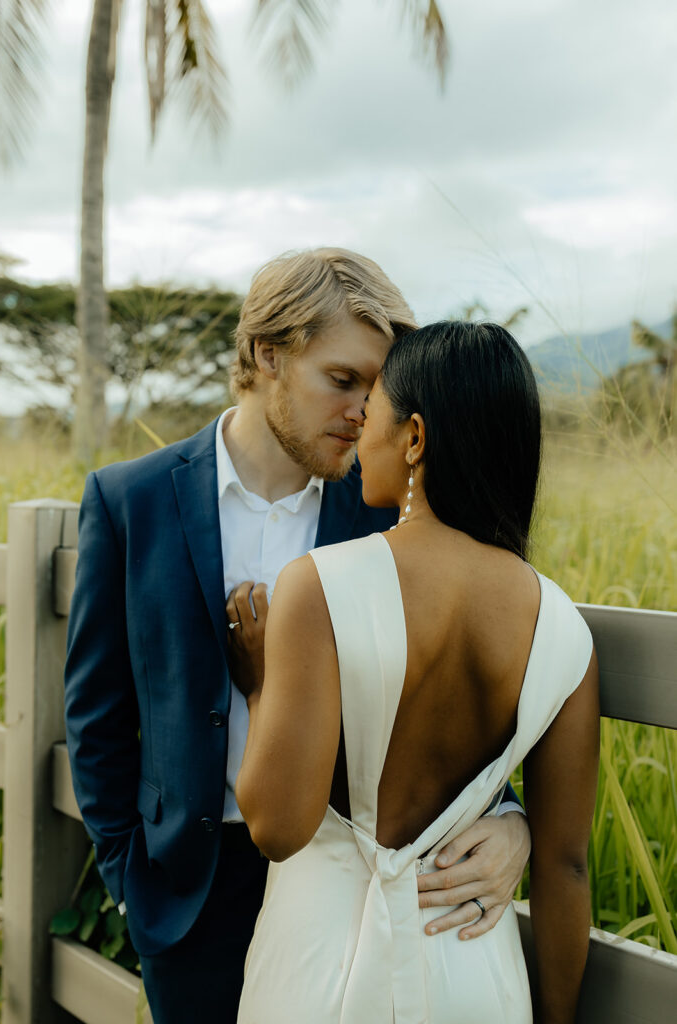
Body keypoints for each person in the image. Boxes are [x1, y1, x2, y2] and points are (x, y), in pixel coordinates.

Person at [64, 252, 531, 1024]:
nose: (361, 411)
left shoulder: (390, 510)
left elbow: (449, 685)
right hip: (187, 896)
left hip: (347, 886)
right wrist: (129, 883)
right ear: (266, 355)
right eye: (341, 380)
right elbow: (96, 715)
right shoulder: (130, 500)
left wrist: (507, 818)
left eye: (375, 390)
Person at [231, 320, 600, 1024]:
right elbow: (564, 867)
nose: (357, 435)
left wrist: (259, 680)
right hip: (471, 967)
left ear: (415, 439)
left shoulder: (318, 585)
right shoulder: (560, 627)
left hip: (318, 966)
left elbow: (277, 826)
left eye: (371, 414)